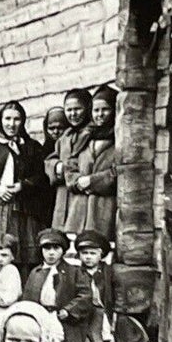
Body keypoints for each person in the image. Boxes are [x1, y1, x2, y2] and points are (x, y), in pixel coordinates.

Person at [0, 101, 48, 274]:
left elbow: (42, 178)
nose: (11, 124)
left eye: (16, 119)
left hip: (24, 212)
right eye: (7, 119)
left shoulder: (32, 148)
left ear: (22, 121)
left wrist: (22, 186)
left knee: (24, 256)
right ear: (1, 121)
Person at [22, 227, 97, 342]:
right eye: (47, 248)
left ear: (62, 251)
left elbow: (85, 295)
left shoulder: (74, 271)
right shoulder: (35, 273)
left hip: (63, 318)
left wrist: (67, 310)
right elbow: (28, 299)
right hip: (41, 317)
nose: (51, 253)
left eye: (55, 248)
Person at [73, 228, 148, 342]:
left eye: (92, 253)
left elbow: (119, 291)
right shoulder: (77, 273)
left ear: (101, 255)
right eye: (84, 253)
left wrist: (118, 309)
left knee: (122, 326)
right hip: (89, 312)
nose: (88, 257)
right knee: (91, 339)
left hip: (108, 309)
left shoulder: (109, 271)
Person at [64, 84, 118, 238]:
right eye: (96, 110)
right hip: (78, 211)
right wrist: (77, 181)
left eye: (105, 109)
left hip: (105, 210)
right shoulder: (85, 136)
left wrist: (92, 181)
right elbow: (71, 164)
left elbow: (123, 171)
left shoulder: (120, 139)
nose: (100, 114)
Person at [46, 87, 93, 234]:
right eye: (69, 110)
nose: (73, 114)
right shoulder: (65, 137)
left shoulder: (94, 134)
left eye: (77, 109)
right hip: (63, 197)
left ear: (87, 109)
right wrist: (56, 166)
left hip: (83, 197)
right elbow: (50, 160)